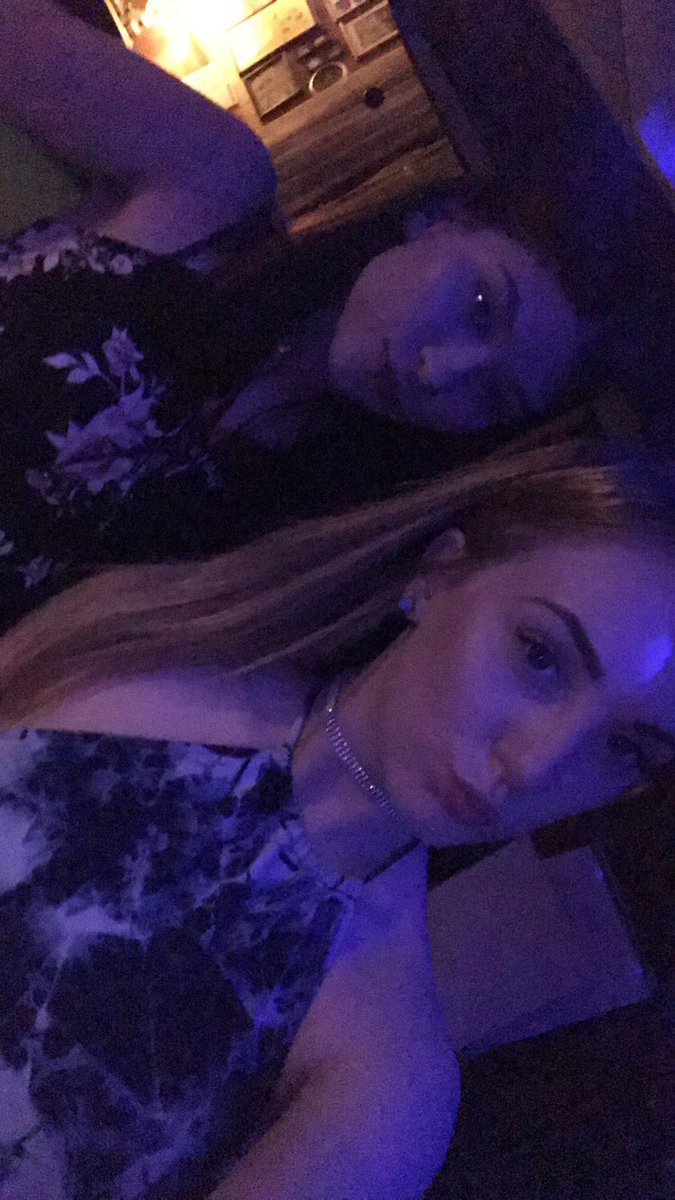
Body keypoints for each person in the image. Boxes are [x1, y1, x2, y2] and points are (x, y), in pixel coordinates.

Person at [0, 436, 673, 1199]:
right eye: (539, 655)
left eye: (623, 747)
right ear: (439, 575)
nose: (533, 764)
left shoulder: (386, 1085)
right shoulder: (145, 639)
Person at [0, 0, 582, 641]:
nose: (437, 374)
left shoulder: (305, 544)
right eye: (480, 306)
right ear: (439, 220)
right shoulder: (217, 185)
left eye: (495, 398)